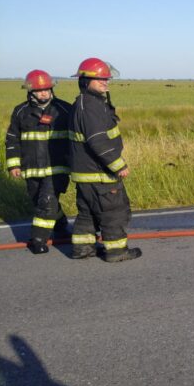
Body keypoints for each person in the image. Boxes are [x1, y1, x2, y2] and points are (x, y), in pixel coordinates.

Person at [69, 57, 141, 262]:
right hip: (99, 174)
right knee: (113, 211)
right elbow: (97, 141)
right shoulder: (91, 106)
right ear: (85, 81)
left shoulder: (84, 103)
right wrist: (118, 165)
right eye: (99, 79)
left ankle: (82, 249)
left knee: (88, 213)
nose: (105, 82)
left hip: (85, 175)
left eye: (106, 78)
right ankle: (116, 251)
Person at [5, 70, 72, 254]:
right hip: (31, 169)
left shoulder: (65, 109)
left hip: (56, 168)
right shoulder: (20, 111)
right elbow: (12, 139)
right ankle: (60, 224)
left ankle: (37, 239)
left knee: (47, 200)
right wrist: (14, 164)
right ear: (30, 91)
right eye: (39, 90)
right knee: (39, 201)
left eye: (47, 89)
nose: (44, 93)